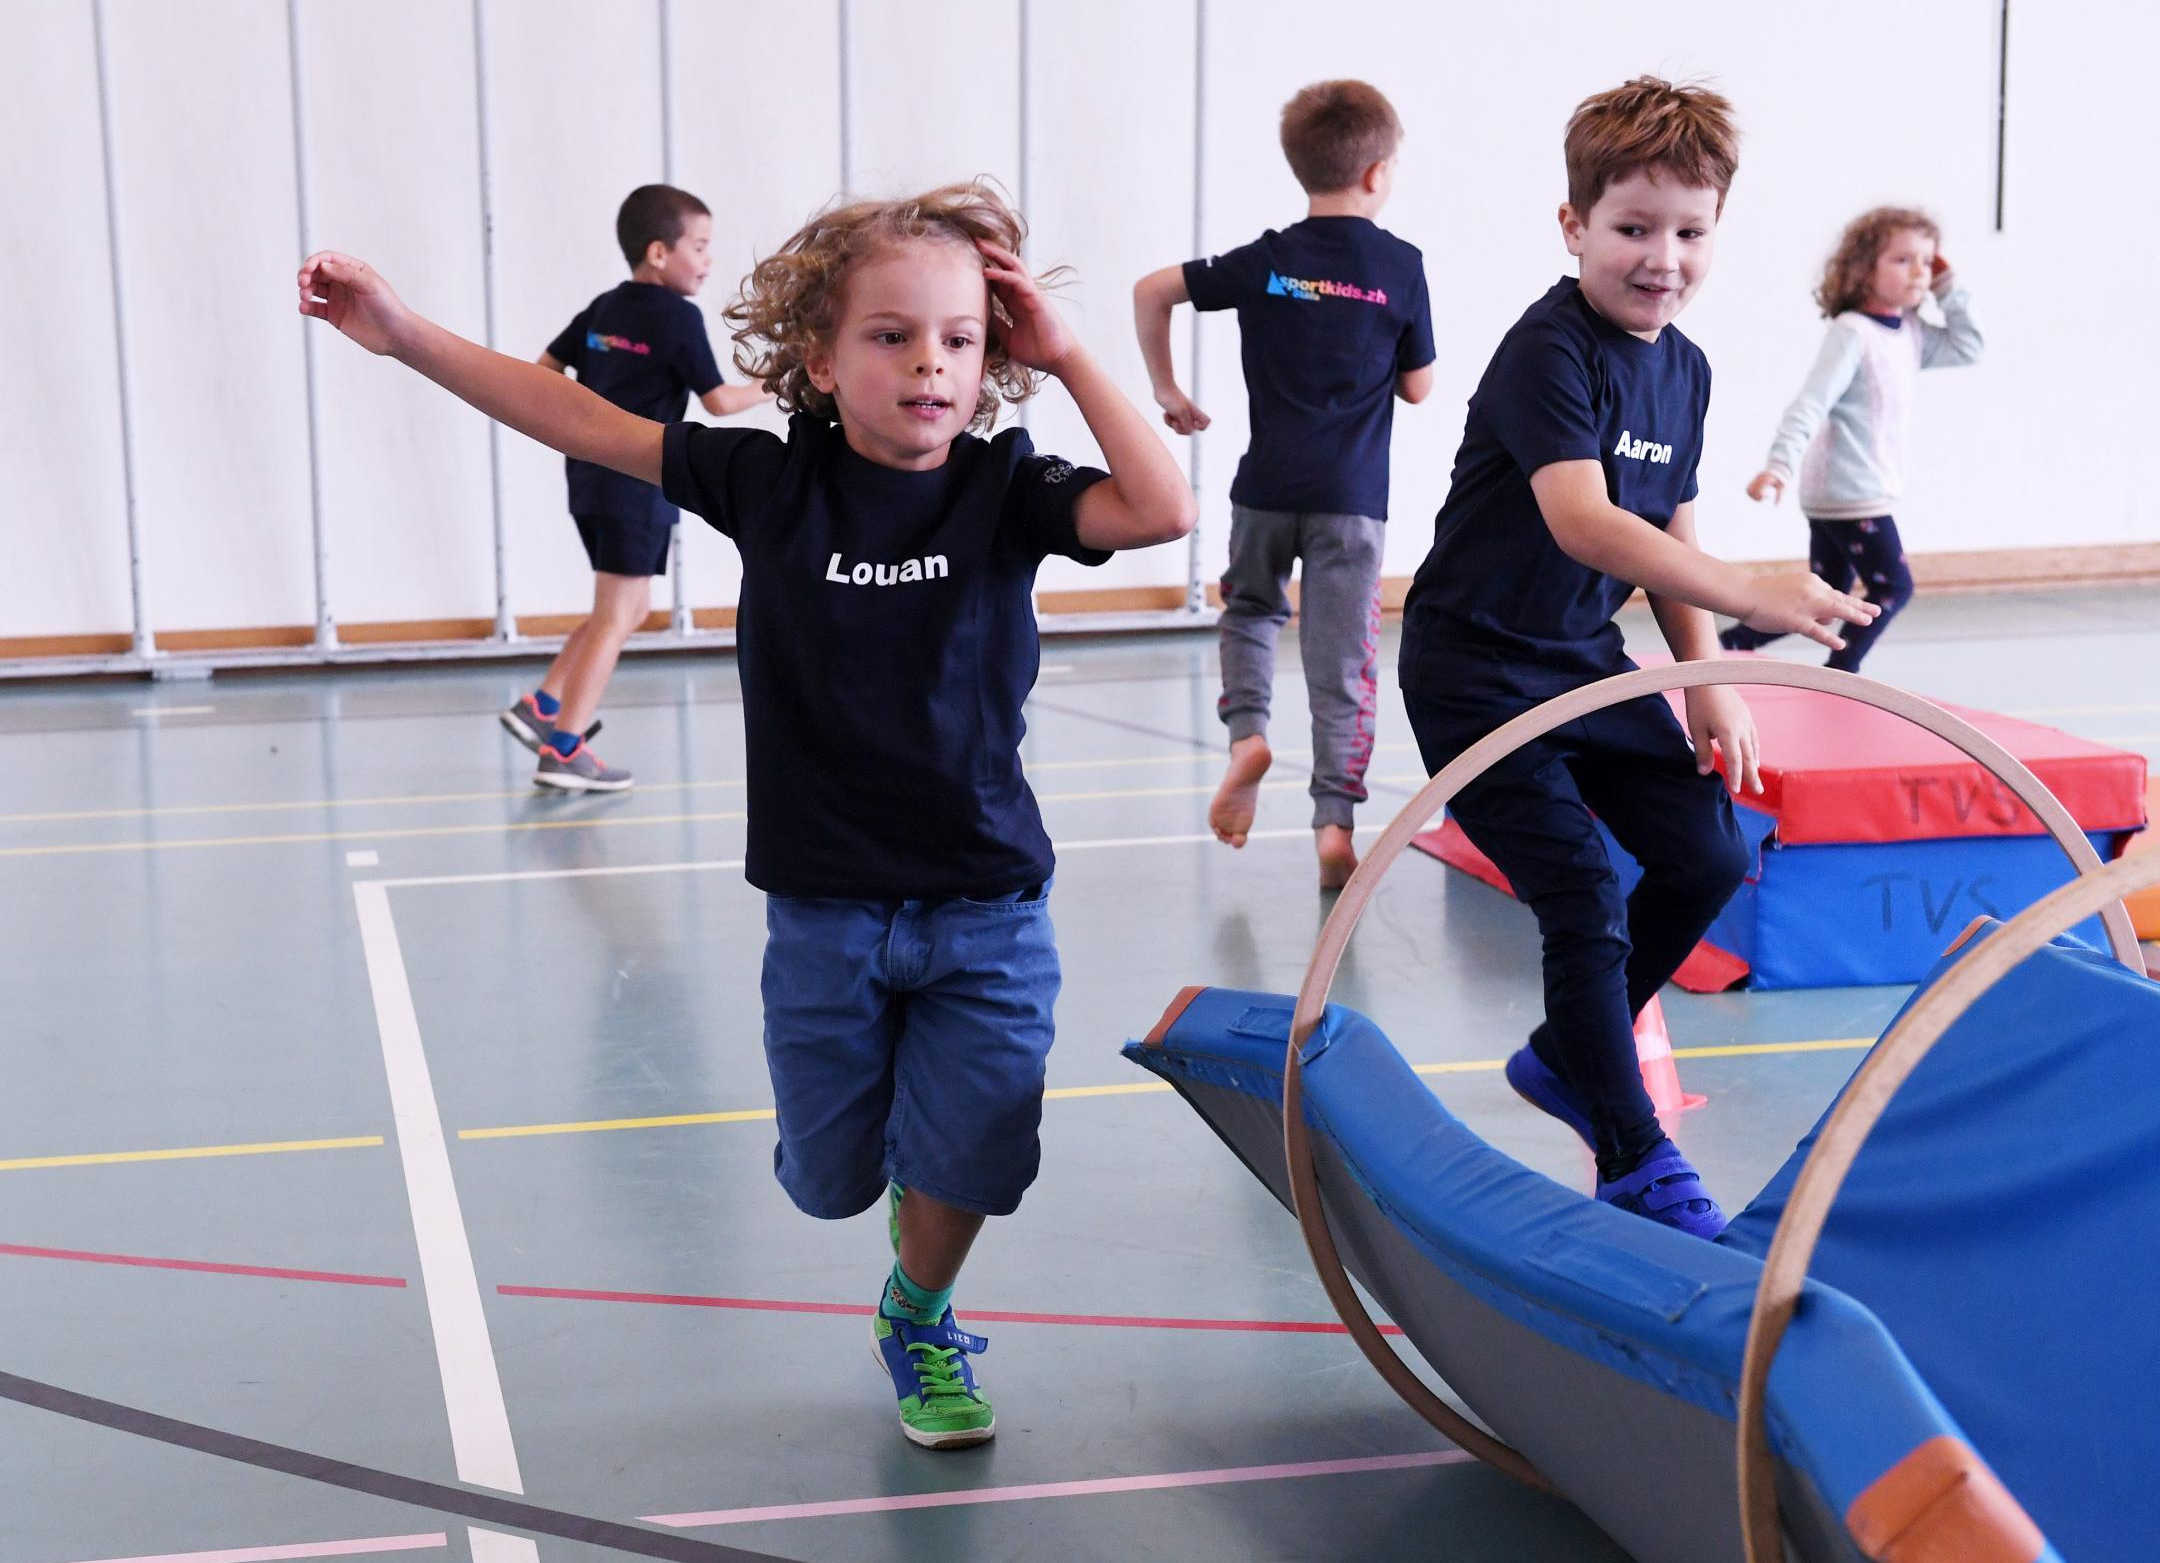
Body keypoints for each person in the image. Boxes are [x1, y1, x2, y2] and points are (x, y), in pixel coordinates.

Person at [298, 182, 1195, 1445]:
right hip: (825, 909)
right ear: (819, 357)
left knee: (975, 1150)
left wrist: (1071, 351)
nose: (928, 363)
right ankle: (896, 1195)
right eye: (890, 336)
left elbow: (1163, 509)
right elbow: (576, 413)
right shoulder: (772, 479)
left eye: (958, 338)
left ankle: (919, 1311)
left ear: (994, 357)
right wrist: (406, 334)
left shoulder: (1007, 488)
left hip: (988, 901)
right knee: (830, 1179)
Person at [1395, 77, 1878, 1238]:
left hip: (1580, 659)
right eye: (1632, 229)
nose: (1662, 258)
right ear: (1575, 228)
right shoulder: (1546, 351)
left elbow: (1667, 532)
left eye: (1689, 232)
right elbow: (1585, 521)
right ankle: (1631, 1150)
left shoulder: (1687, 369)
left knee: (1708, 857)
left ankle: (1574, 1052)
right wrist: (1761, 593)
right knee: (1581, 893)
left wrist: (1705, 681)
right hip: (1475, 668)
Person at [1135, 80, 1435, 889]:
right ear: (1377, 173)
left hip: (1264, 486)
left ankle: (1247, 740)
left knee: (1251, 613)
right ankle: (1334, 824)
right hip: (1351, 501)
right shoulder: (1400, 267)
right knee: (1343, 663)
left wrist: (1167, 391)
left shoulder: (1269, 261)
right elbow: (1418, 386)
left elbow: (1152, 290)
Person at [498, 184, 766, 792]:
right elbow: (721, 403)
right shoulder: (678, 318)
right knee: (621, 614)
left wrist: (586, 417)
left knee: (624, 608)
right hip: (637, 479)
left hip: (587, 476)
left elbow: (543, 369)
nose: (708, 260)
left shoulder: (605, 309)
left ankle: (542, 707)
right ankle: (563, 748)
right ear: (659, 252)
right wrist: (787, 384)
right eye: (700, 246)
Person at [1718, 207, 1983, 669]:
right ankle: (1844, 669)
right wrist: (1779, 465)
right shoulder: (1852, 332)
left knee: (1827, 596)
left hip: (1847, 491)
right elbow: (1810, 403)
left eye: (1927, 260)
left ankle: (1735, 643)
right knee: (1894, 587)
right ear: (1863, 269)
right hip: (1852, 490)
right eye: (1903, 260)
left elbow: (1968, 346)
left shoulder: (1911, 334)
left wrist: (1948, 287)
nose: (1920, 270)